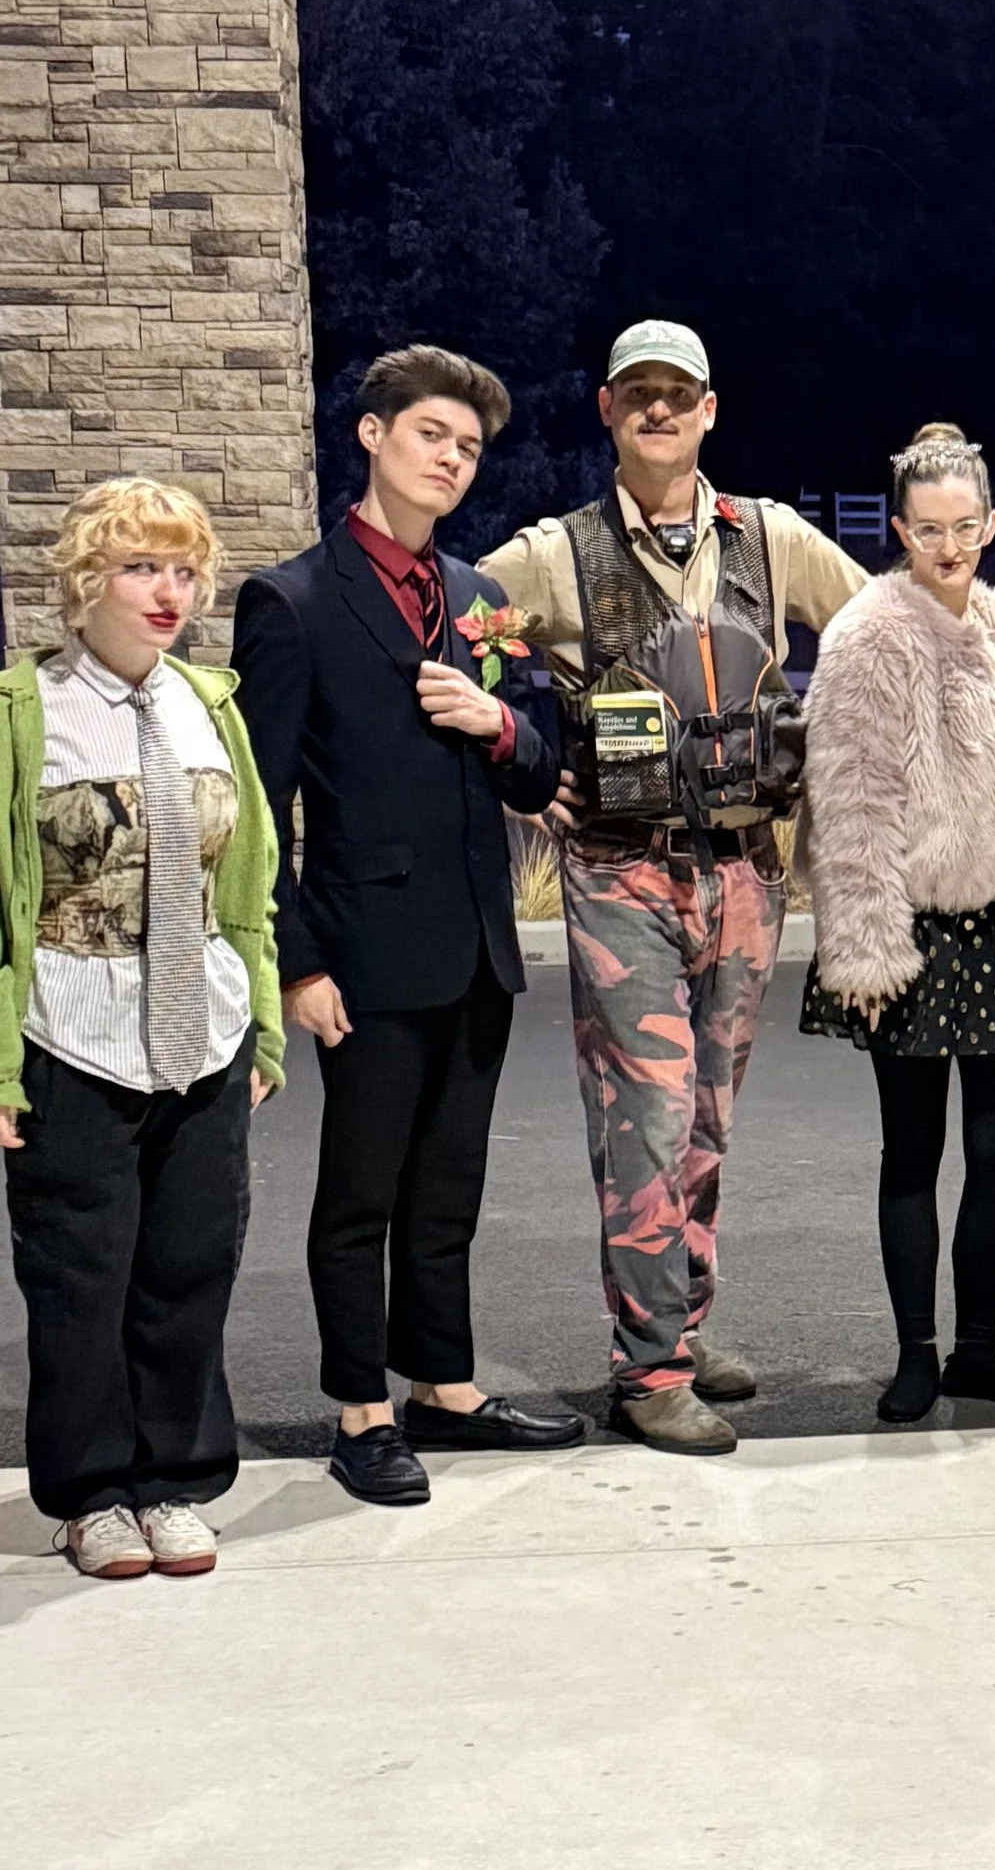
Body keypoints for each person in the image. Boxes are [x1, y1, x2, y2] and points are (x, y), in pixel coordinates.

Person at [480, 320, 866, 1454]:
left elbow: (875, 633)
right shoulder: (556, 554)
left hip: (746, 870)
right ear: (607, 408)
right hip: (623, 869)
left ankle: (680, 1328)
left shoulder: (770, 538)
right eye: (637, 392)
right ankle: (648, 1370)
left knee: (705, 1118)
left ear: (709, 410)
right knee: (644, 1116)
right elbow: (448, 635)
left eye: (678, 392)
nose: (659, 408)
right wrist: (526, 770)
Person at [235, 346, 582, 1509]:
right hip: (364, 954)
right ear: (373, 434)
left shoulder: (480, 598)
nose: (451, 459)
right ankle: (361, 1411)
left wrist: (496, 723)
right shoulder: (290, 601)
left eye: (469, 447)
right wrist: (294, 963)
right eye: (432, 434)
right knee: (361, 1195)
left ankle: (443, 1386)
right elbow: (258, 813)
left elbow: (538, 771)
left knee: (448, 1189)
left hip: (477, 944)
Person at [0, 481, 284, 1577]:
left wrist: (261, 1028)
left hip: (202, 1033)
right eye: (140, 568)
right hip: (71, 1035)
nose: (169, 591)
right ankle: (91, 1494)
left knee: (190, 1264)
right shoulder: (24, 708)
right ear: (85, 581)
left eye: (184, 571)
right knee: (81, 1277)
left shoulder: (209, 705)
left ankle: (176, 1478)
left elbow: (247, 885)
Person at [799, 422, 995, 1422]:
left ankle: (978, 1350)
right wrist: (863, 945)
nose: (948, 546)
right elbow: (850, 798)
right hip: (914, 929)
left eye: (964, 527)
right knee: (911, 1153)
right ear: (900, 530)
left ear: (990, 524)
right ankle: (916, 1353)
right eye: (928, 530)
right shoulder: (869, 632)